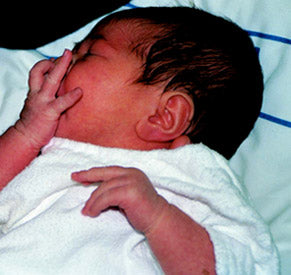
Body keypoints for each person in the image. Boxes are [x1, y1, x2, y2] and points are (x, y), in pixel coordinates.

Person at [0, 7, 276, 274]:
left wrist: (158, 218)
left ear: (164, 116)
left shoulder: (191, 179)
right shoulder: (46, 156)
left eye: (88, 54)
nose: (61, 62)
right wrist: (26, 133)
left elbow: (243, 265)